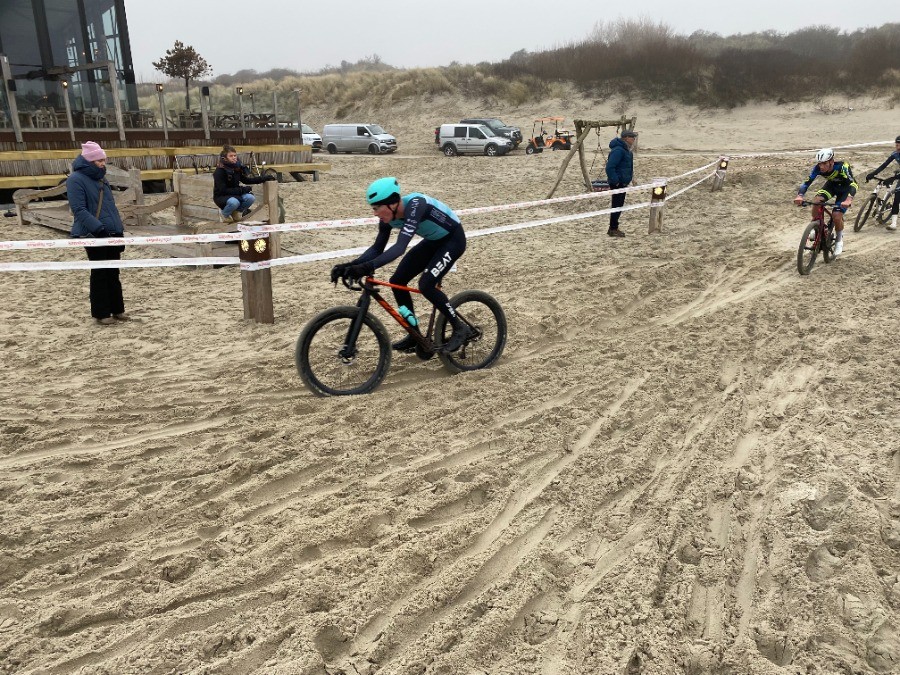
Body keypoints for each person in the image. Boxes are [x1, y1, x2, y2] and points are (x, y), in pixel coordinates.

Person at [330, 177, 472, 353]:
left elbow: (399, 248)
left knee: (426, 284)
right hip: (433, 241)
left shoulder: (415, 205)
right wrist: (350, 265)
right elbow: (377, 248)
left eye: (376, 208)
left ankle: (460, 328)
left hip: (453, 241)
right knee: (398, 281)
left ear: (391, 204)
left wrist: (366, 268)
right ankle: (415, 335)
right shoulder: (387, 217)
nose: (374, 213)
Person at [67, 141, 129, 326]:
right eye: (99, 160)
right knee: (100, 273)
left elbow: (110, 208)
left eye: (104, 160)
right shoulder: (75, 179)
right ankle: (101, 313)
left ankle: (117, 309)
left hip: (111, 231)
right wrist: (98, 229)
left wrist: (118, 231)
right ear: (90, 160)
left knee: (113, 272)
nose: (103, 163)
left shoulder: (102, 178)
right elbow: (79, 209)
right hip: (93, 233)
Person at [794, 148, 858, 255]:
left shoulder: (843, 166)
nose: (821, 166)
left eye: (824, 163)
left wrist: (848, 199)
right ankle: (816, 227)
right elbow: (807, 182)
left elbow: (854, 184)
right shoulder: (817, 168)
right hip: (832, 186)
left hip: (846, 190)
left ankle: (839, 240)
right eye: (820, 164)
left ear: (831, 162)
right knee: (816, 201)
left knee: (836, 215)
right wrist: (800, 196)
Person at [212, 145, 275, 222]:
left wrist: (265, 178)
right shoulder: (219, 171)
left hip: (234, 195)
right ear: (224, 158)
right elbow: (223, 190)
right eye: (231, 156)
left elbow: (247, 180)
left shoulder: (236, 168)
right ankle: (224, 214)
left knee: (250, 198)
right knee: (234, 202)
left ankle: (236, 212)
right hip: (221, 197)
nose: (234, 157)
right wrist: (242, 190)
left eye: (235, 155)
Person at [605, 129, 637, 238]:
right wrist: (616, 181)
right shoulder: (618, 150)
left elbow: (628, 167)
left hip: (623, 183)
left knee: (619, 206)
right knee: (616, 206)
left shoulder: (627, 151)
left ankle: (613, 227)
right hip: (618, 183)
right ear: (626, 138)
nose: (634, 139)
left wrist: (631, 178)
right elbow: (610, 167)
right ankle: (613, 228)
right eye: (632, 137)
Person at [864, 135, 900, 231]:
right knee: (897, 198)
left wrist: (893, 178)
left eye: (899, 145)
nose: (897, 147)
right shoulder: (895, 154)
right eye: (896, 145)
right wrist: (872, 174)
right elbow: (884, 165)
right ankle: (893, 224)